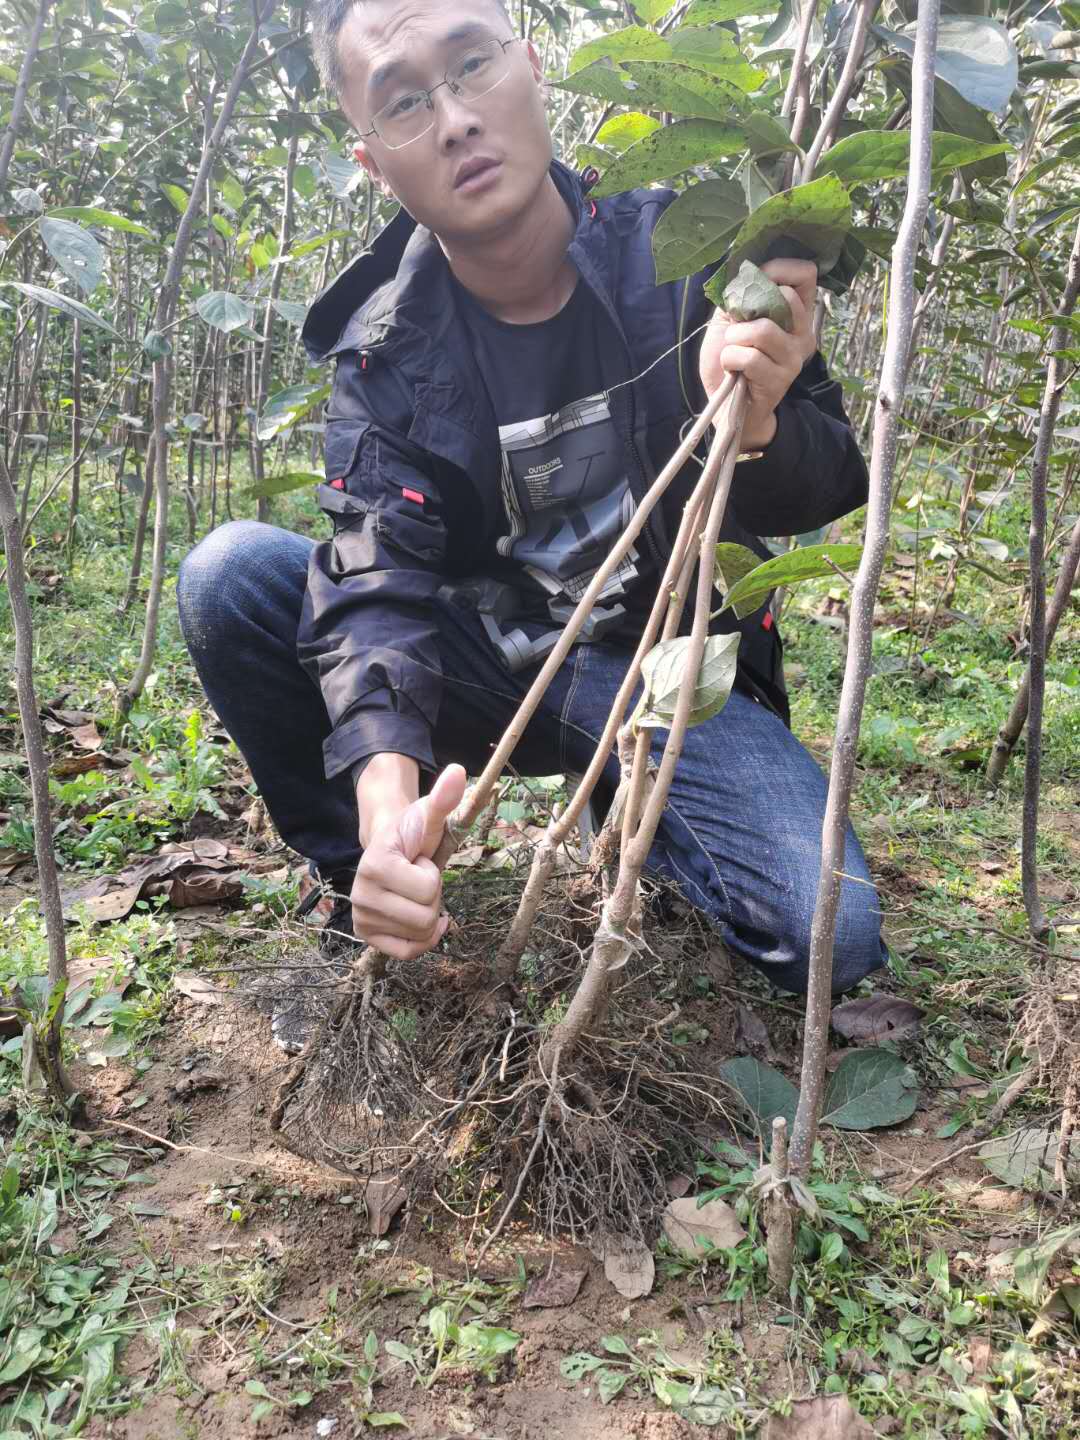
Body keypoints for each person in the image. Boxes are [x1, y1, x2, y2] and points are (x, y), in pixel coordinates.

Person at [178, 0, 887, 1046]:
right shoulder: (383, 352)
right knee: (232, 573)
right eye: (407, 101)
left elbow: (829, 479)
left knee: (829, 933)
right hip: (483, 666)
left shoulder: (690, 253)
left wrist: (758, 416)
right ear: (372, 161)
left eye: (471, 67)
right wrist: (385, 815)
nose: (457, 119)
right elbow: (373, 585)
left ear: (531, 66)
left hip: (662, 668)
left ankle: (645, 825)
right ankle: (361, 890)